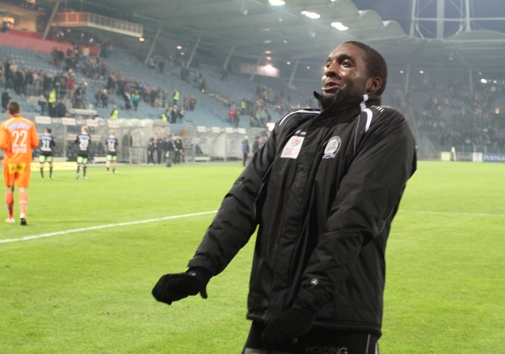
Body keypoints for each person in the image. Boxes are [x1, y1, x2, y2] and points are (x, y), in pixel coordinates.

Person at [152, 41, 417, 353]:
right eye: (328, 63)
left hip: (338, 319)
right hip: (272, 315)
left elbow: (353, 217)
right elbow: (243, 201)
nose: (330, 69)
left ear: (373, 84)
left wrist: (309, 301)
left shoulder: (383, 125)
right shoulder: (293, 124)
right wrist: (201, 269)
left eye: (345, 63)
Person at [0, 101, 39, 225]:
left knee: (9, 189)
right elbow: (35, 143)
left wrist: (10, 147)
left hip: (10, 161)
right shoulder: (29, 123)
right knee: (22, 189)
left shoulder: (5, 125)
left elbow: (1, 144)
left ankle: (10, 217)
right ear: (20, 110)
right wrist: (25, 147)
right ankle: (23, 214)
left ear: (8, 112)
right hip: (24, 160)